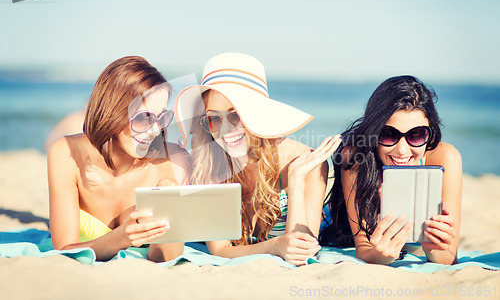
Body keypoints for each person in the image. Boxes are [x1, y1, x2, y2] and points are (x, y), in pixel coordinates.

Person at [175, 52, 342, 266]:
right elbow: (219, 250)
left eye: (235, 115)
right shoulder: (207, 164)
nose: (225, 130)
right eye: (214, 119)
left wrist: (296, 179)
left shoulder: (304, 162)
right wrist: (274, 246)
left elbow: (302, 252)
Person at [48, 56, 188, 262]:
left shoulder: (174, 162)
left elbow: (166, 260)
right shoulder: (66, 153)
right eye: (143, 118)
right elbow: (64, 250)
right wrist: (122, 237)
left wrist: (169, 203)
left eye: (161, 119)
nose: (154, 130)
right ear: (112, 112)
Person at [319, 75, 462, 265]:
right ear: (373, 132)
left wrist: (436, 250)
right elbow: (363, 247)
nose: (402, 150)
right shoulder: (356, 157)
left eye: (416, 135)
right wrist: (379, 256)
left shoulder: (445, 158)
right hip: (341, 227)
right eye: (388, 134)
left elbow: (447, 257)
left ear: (430, 131)